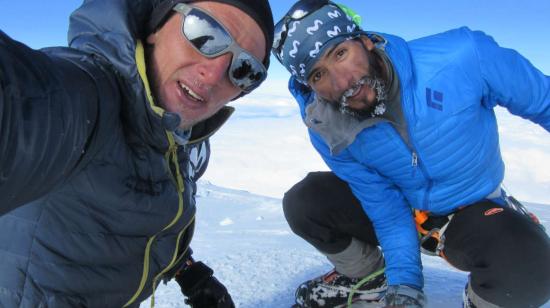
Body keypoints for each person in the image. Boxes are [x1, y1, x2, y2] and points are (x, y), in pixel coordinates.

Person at [273, 1, 550, 307]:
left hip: (470, 209)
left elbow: (545, 103)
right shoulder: (330, 129)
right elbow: (384, 206)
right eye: (318, 75)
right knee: (307, 201)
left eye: (340, 54)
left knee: (532, 270)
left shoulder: (462, 58)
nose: (342, 82)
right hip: (402, 209)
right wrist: (405, 285)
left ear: (365, 41)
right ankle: (372, 278)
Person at [0, 0, 273, 307]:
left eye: (245, 69)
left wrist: (188, 271)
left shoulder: (174, 134)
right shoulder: (89, 98)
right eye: (206, 34)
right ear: (156, 25)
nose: (213, 74)